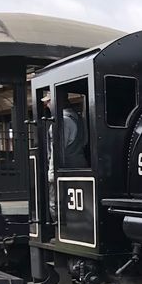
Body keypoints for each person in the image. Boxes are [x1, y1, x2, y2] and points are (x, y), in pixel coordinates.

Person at [43, 92, 87, 222]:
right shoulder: (78, 118)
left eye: (49, 101)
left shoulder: (62, 122)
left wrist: (51, 173)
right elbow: (84, 141)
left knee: (56, 202)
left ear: (57, 102)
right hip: (79, 164)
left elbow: (57, 150)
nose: (47, 104)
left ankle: (58, 229)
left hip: (64, 168)